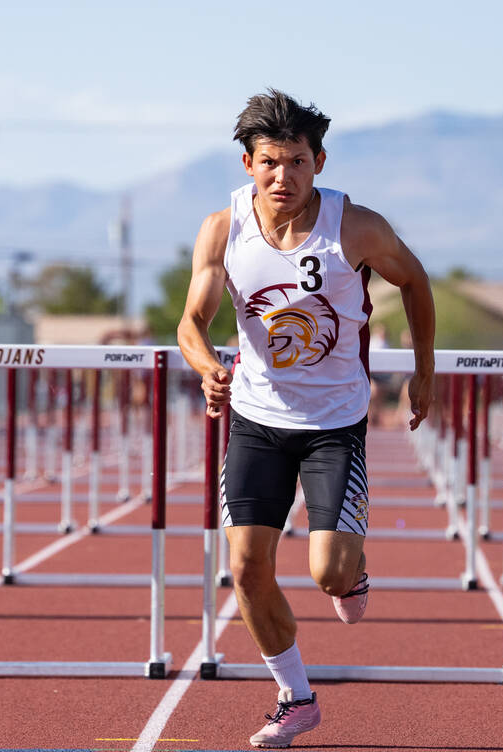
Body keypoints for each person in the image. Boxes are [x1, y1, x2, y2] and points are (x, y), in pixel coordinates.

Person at [176, 89, 435, 749]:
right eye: (269, 162)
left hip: (334, 424)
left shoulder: (355, 227)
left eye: (296, 161)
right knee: (246, 568)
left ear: (319, 162)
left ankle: (354, 567)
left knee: (330, 576)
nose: (282, 176)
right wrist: (209, 367)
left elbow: (415, 281)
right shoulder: (222, 229)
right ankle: (295, 698)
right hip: (256, 421)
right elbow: (191, 323)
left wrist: (423, 372)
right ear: (247, 164)